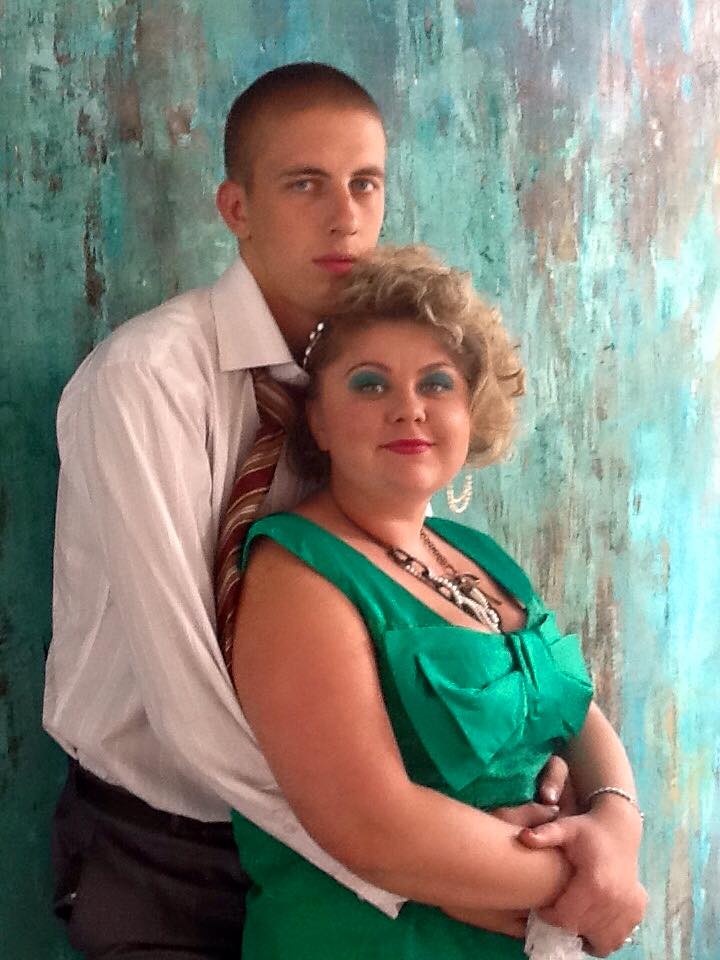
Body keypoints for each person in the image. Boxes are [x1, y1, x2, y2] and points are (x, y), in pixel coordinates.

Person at [44, 64, 566, 959]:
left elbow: (395, 611)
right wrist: (407, 867)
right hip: (169, 848)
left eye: (365, 184)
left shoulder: (359, 387)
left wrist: (507, 788)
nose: (344, 218)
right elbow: (189, 701)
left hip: (360, 837)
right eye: (305, 184)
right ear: (236, 208)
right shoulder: (146, 381)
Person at [229, 245, 648, 959]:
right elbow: (371, 827)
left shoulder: (476, 554)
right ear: (318, 420)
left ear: (471, 410)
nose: (408, 408)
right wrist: (579, 882)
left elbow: (578, 713)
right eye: (369, 383)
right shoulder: (296, 570)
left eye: (437, 383)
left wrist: (617, 827)